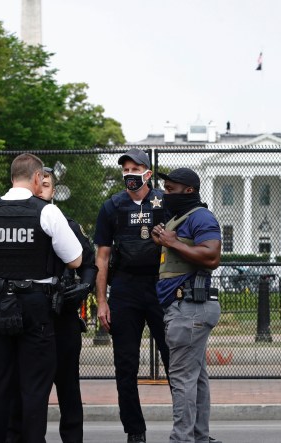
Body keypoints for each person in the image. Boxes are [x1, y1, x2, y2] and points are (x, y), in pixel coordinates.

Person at [0, 153, 83, 443]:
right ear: (37, 178)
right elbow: (75, 260)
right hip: (36, 308)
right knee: (34, 389)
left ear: (12, 178)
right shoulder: (47, 212)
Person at [93, 148, 171, 443]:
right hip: (124, 288)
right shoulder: (112, 206)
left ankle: (185, 425)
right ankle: (135, 431)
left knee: (173, 359)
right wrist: (102, 301)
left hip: (160, 286)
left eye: (135, 168)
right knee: (125, 364)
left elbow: (183, 242)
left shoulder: (164, 202)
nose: (129, 174)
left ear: (148, 173)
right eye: (125, 169)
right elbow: (101, 256)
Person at [151, 168, 222, 443]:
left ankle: (182, 439)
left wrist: (172, 242)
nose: (165, 194)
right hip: (184, 307)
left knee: (181, 379)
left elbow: (212, 255)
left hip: (189, 307)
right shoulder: (179, 219)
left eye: (170, 189)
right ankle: (199, 437)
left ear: (188, 191)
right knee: (196, 379)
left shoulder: (201, 217)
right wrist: (166, 240)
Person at [37, 167, 98, 443]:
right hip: (30, 317)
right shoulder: (21, 221)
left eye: (48, 184)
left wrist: (82, 288)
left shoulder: (67, 224)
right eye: (39, 184)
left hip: (62, 315)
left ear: (54, 190)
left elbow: (89, 262)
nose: (42, 189)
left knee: (68, 388)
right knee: (31, 388)